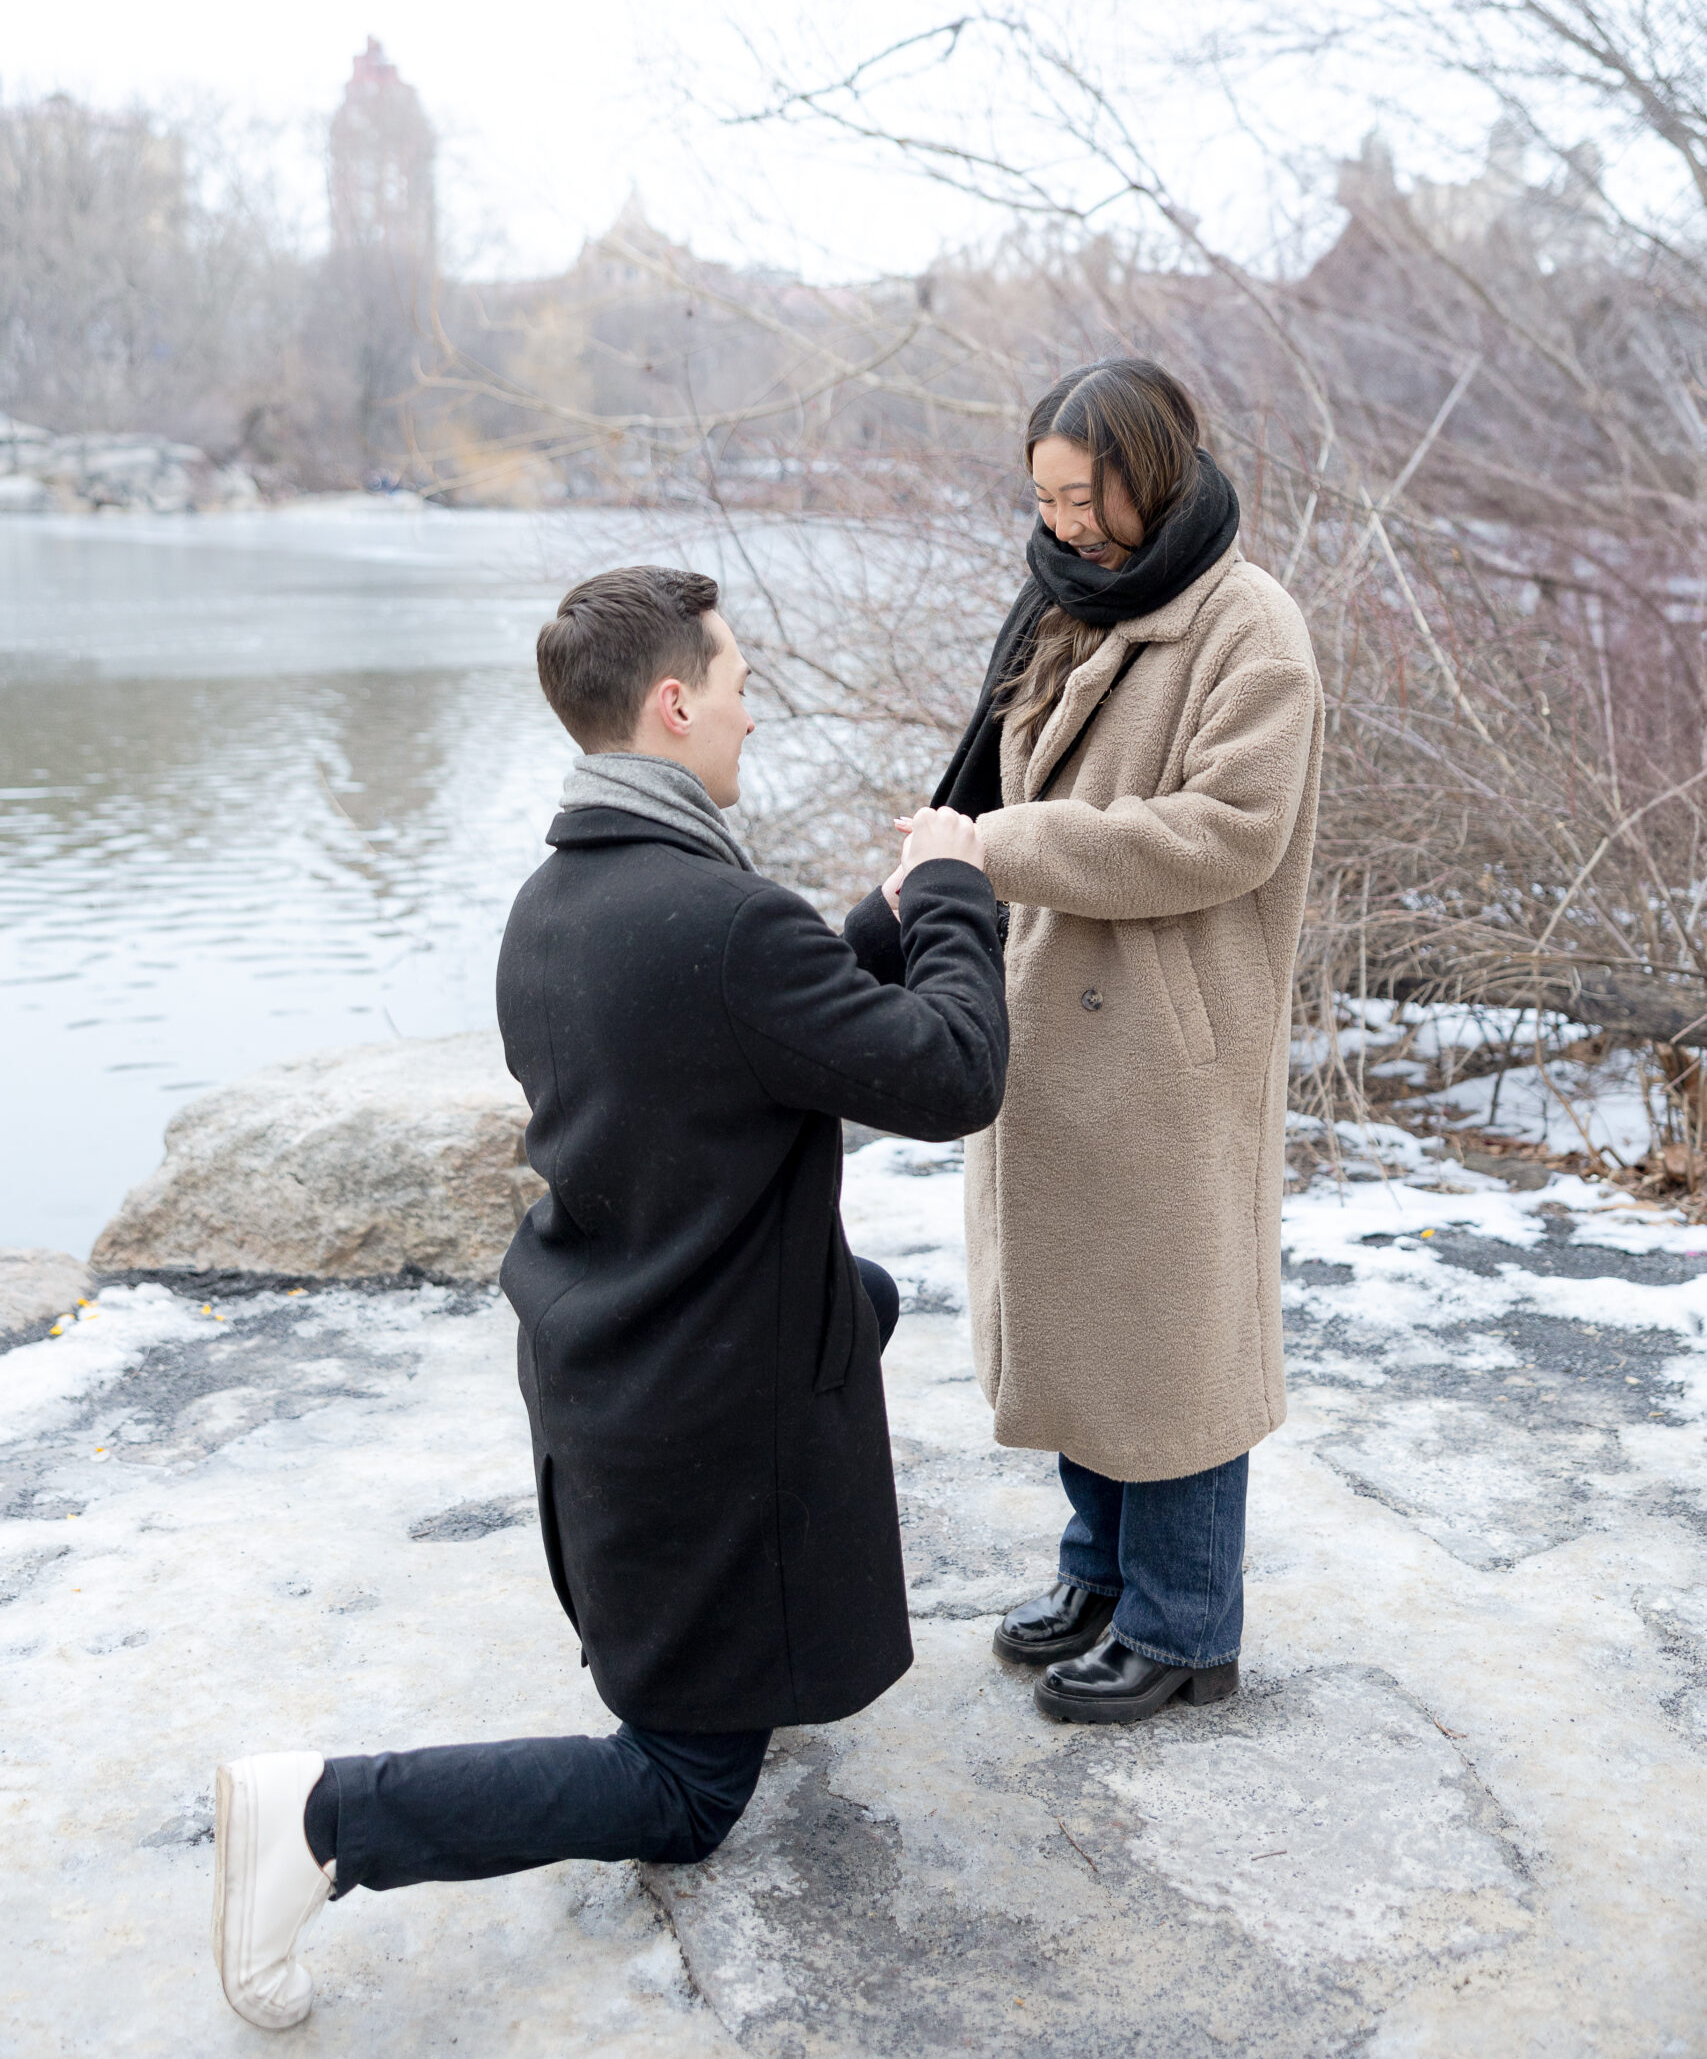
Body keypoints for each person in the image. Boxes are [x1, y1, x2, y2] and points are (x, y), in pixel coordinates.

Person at [211, 564, 1007, 2032]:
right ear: (675, 700)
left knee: (862, 1297)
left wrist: (881, 919)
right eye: (744, 683)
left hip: (615, 1350)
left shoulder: (559, 901)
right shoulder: (719, 924)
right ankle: (323, 1818)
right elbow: (952, 1074)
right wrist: (956, 891)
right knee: (687, 1789)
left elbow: (763, 1020)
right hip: (701, 1407)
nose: (756, 714)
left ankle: (745, 1624)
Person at [849, 358, 1323, 1726]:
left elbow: (1224, 834)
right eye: (1044, 499)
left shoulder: (1250, 629)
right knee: (1082, 1328)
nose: (1061, 526)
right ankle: (1101, 1578)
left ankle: (1186, 1629)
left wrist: (995, 851)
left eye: (1082, 498)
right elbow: (988, 777)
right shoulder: (1065, 603)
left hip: (1170, 1050)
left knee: (1170, 1347)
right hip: (1052, 1023)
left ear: (1152, 473)